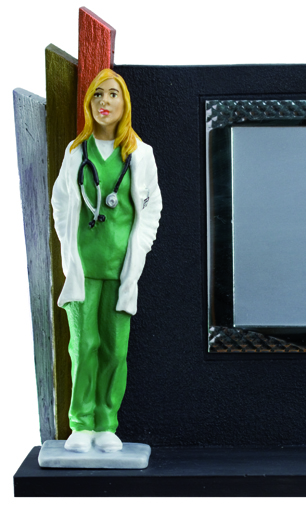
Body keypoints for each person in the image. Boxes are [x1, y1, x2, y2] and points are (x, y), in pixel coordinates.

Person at [51, 68, 162, 453]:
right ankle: (81, 424)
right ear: (89, 103)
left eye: (113, 94)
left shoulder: (140, 154)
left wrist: (140, 249)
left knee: (115, 349)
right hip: (84, 268)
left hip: (120, 270)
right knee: (83, 346)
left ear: (124, 103)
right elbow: (61, 200)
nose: (105, 102)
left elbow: (151, 207)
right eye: (98, 94)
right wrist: (68, 246)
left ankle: (106, 424)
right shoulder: (75, 152)